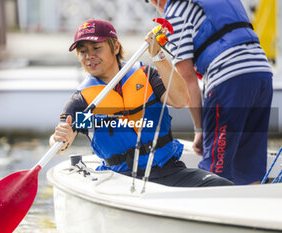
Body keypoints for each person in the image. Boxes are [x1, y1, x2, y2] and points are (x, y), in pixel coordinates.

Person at [50, 18, 233, 187]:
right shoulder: (82, 101)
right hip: (121, 179)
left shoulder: (147, 76)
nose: (89, 56)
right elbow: (61, 143)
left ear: (115, 47)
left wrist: (158, 55)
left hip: (170, 170)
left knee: (223, 187)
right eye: (83, 51)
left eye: (96, 48)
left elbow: (181, 100)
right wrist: (60, 139)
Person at [147, 0, 273, 185]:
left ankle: (211, 209)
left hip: (229, 78)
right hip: (261, 72)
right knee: (249, 166)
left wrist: (200, 129)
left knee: (215, 167)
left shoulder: (175, 12)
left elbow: (187, 78)